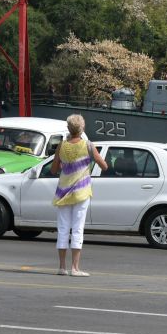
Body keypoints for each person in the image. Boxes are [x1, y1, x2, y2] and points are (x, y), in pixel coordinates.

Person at [50, 114, 108, 276]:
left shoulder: (61, 146)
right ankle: (75, 268)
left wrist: (65, 164)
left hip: (63, 192)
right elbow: (104, 166)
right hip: (81, 193)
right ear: (82, 129)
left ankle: (62, 267)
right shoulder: (88, 145)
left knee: (63, 229)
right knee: (77, 229)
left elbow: (54, 170)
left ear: (68, 128)